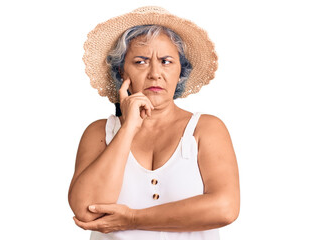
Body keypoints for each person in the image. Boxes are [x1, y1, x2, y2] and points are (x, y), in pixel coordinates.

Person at [68, 6, 240, 240]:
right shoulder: (100, 132)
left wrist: (133, 218)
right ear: (122, 71)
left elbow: (225, 208)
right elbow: (86, 210)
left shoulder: (205, 129)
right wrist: (128, 128)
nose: (155, 73)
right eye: (141, 62)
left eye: (166, 61)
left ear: (181, 71)